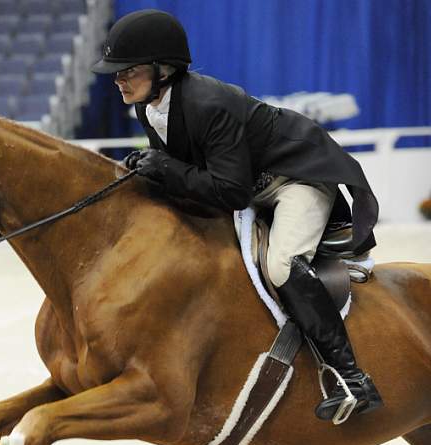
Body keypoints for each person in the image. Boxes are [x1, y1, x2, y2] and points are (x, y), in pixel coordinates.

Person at [91, 9, 383, 422]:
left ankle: (351, 378)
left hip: (295, 179)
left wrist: (166, 168)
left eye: (128, 71)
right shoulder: (150, 106)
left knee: (281, 266)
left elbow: (230, 192)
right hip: (252, 187)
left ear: (163, 69)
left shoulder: (210, 103)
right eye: (116, 72)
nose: (118, 79)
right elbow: (190, 174)